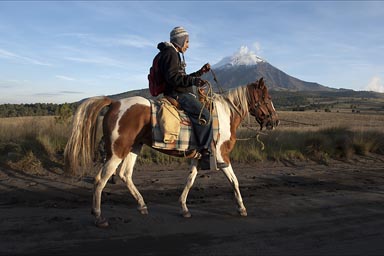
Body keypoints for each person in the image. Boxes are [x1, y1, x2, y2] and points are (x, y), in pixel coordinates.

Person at [156, 26, 212, 170]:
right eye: (187, 42)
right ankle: (205, 153)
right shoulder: (170, 53)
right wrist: (193, 82)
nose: (188, 45)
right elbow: (173, 78)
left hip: (178, 92)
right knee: (205, 115)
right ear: (180, 41)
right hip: (177, 94)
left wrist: (199, 73)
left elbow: (181, 77)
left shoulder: (173, 53)